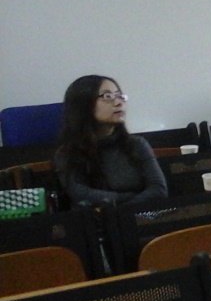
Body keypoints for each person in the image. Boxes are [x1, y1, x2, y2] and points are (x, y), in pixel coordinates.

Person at [53, 75, 168, 206]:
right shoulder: (67, 154)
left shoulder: (137, 144)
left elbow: (159, 190)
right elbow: (80, 195)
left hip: (141, 215)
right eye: (108, 96)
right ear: (83, 105)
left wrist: (124, 209)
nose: (118, 102)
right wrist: (130, 200)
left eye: (119, 95)